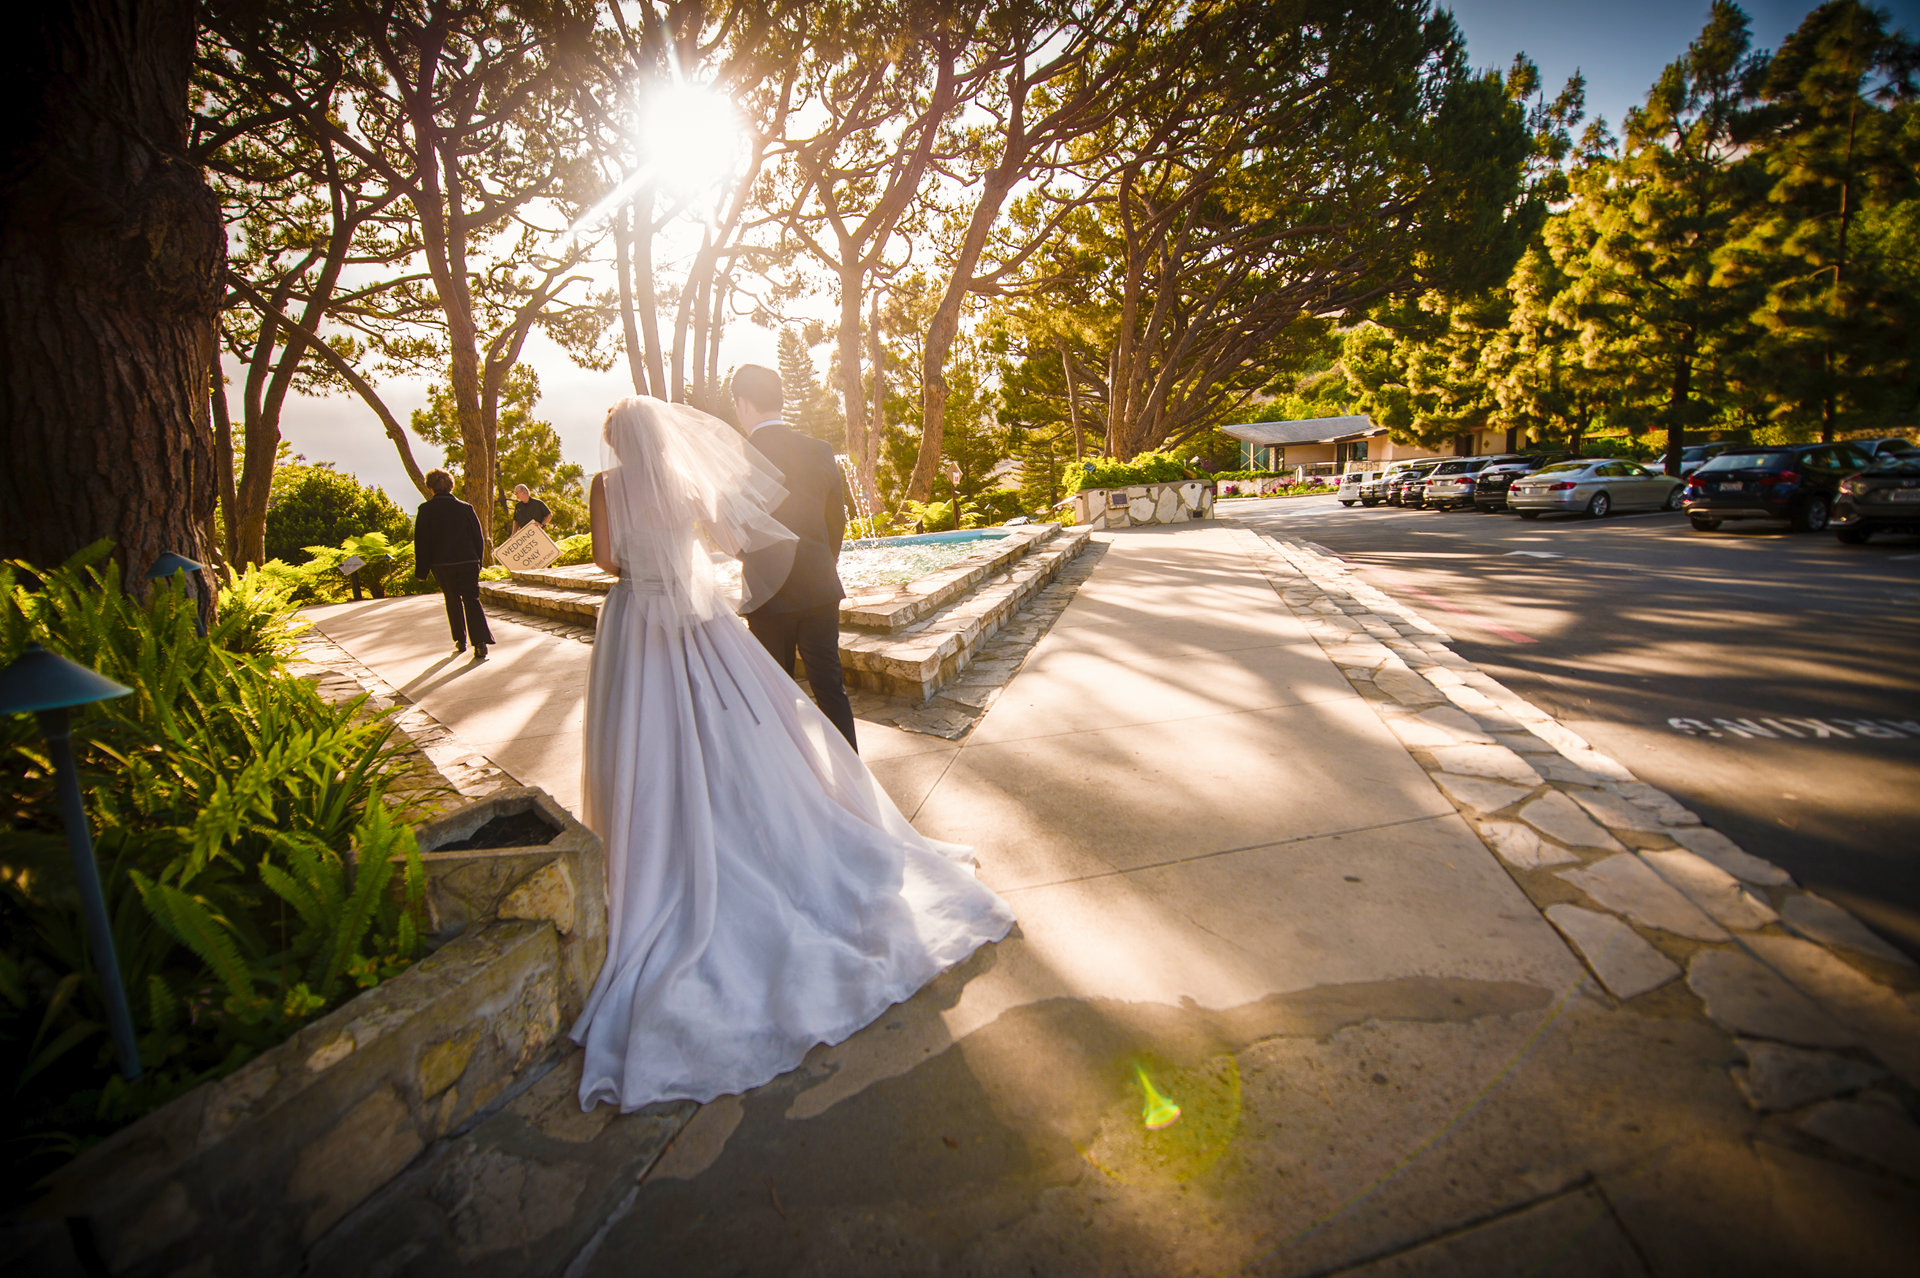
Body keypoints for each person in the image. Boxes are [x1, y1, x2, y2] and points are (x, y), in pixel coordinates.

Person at [569, 395, 1012, 1112]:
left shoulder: (604, 487)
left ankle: (654, 851)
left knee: (644, 740)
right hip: (695, 618)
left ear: (615, 441)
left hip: (634, 623)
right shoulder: (686, 483)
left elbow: (603, 559)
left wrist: (646, 565)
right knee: (741, 732)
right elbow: (736, 544)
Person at [729, 363, 859, 750]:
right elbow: (837, 522)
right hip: (820, 586)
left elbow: (735, 532)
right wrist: (821, 565)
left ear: (744, 403)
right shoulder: (819, 450)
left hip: (768, 593)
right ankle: (855, 784)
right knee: (830, 687)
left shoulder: (738, 457)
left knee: (777, 694)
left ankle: (795, 786)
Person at [413, 469, 495, 660]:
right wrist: (478, 562)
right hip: (468, 561)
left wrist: (422, 571)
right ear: (451, 486)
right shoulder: (465, 508)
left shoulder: (425, 510)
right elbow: (478, 537)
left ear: (431, 487)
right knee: (472, 599)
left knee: (452, 599)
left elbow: (422, 542)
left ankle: (460, 639)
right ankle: (480, 643)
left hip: (442, 564)